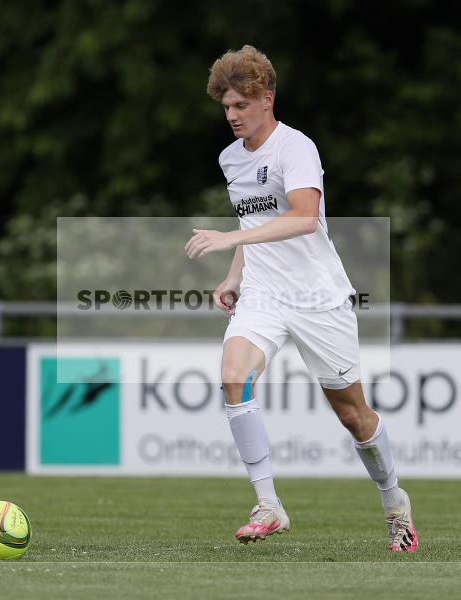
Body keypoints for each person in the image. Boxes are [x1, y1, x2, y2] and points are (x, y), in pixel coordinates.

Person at [184, 45, 418, 553]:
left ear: (267, 98)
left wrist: (228, 241)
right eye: (225, 107)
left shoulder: (296, 148)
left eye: (240, 105)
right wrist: (233, 275)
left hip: (317, 297)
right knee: (233, 376)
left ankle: (394, 499)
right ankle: (268, 505)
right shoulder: (230, 158)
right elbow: (255, 225)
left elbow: (303, 217)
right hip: (264, 294)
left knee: (353, 415)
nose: (231, 116)